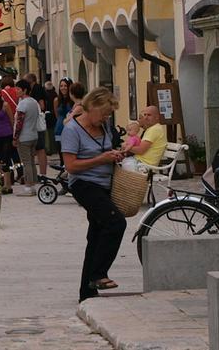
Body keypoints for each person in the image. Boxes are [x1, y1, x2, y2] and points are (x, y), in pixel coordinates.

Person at [60, 87, 125, 301]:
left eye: (109, 114)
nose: (107, 117)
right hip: (84, 184)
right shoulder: (72, 130)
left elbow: (105, 149)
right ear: (92, 106)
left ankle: (87, 293)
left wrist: (116, 154)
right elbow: (71, 166)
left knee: (96, 235)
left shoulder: (104, 126)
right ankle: (98, 274)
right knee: (115, 222)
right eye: (104, 113)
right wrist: (101, 159)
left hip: (105, 184)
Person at [12, 79, 42, 195]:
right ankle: (33, 184)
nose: (16, 91)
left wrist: (15, 137)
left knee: (26, 162)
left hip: (24, 137)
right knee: (31, 161)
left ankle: (28, 187)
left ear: (24, 90)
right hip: (33, 135)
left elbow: (19, 122)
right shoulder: (34, 102)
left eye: (18, 89)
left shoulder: (23, 103)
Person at [25, 73, 49, 177]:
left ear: (30, 81)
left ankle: (43, 174)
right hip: (34, 123)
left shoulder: (37, 89)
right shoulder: (35, 88)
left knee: (40, 149)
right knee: (38, 149)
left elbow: (41, 105)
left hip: (37, 123)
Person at [53, 78, 74, 152]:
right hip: (59, 128)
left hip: (71, 129)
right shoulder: (56, 100)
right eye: (61, 86)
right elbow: (57, 115)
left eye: (65, 86)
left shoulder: (73, 100)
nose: (63, 88)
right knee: (61, 152)